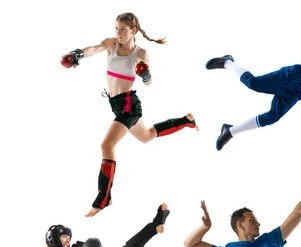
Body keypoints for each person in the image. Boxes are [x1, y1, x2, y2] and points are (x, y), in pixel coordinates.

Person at [60, 12, 199, 217]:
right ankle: (187, 121)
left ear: (133, 31)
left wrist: (145, 74)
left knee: (107, 145)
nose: (118, 33)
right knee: (147, 136)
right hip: (117, 105)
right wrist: (78, 54)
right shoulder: (111, 44)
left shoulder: (140, 53)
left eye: (123, 30)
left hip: (128, 106)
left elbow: (149, 81)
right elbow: (93, 49)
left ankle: (104, 198)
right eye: (116, 29)